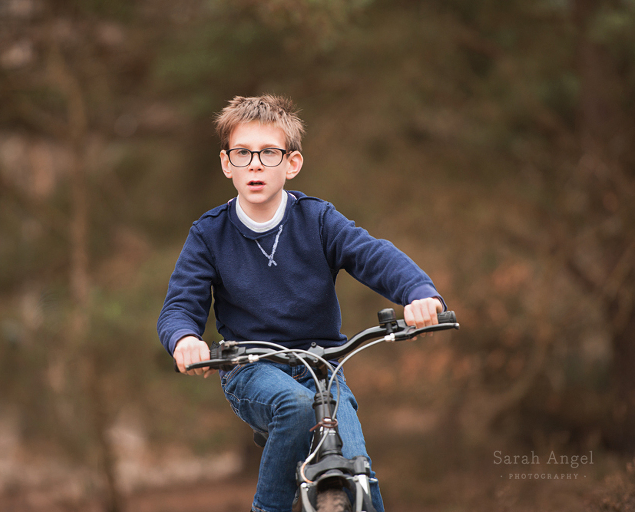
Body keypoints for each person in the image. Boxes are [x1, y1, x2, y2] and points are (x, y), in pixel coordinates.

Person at [157, 95, 445, 512]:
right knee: (293, 406)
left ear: (291, 164)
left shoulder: (318, 219)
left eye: (269, 153)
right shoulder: (209, 235)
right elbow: (180, 305)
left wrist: (420, 293)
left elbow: (372, 255)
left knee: (357, 468)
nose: (255, 164)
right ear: (227, 164)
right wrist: (185, 339)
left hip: (325, 368)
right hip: (252, 370)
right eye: (243, 153)